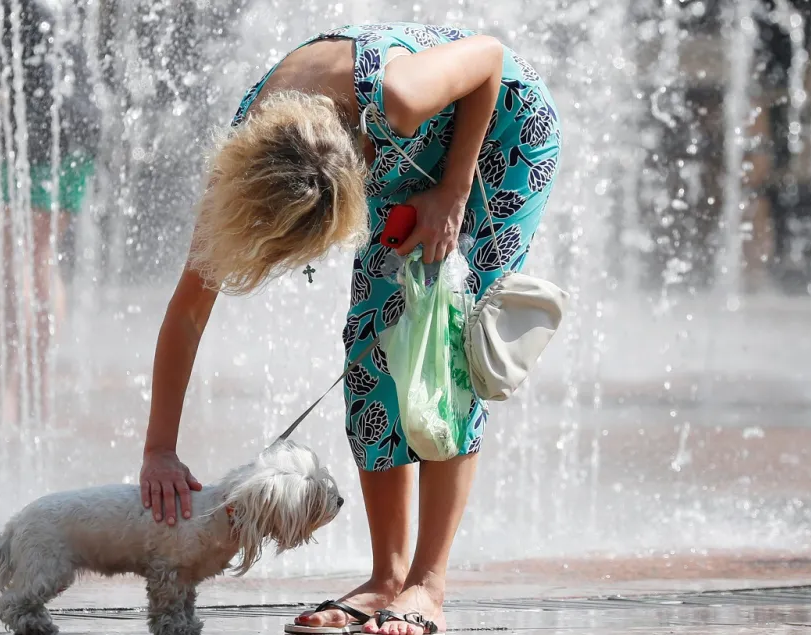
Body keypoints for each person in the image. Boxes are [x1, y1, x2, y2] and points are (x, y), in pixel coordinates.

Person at [138, 22, 560, 635]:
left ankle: (428, 584)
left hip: (498, 134)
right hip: (388, 149)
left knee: (450, 343)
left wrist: (453, 191)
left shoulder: (401, 97)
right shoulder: (244, 161)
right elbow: (188, 311)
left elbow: (490, 58)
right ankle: (386, 577)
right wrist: (159, 450)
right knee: (370, 340)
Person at [0, 0, 101, 422]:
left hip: (39, 130)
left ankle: (7, 393)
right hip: (79, 123)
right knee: (40, 256)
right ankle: (34, 389)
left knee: (13, 257)